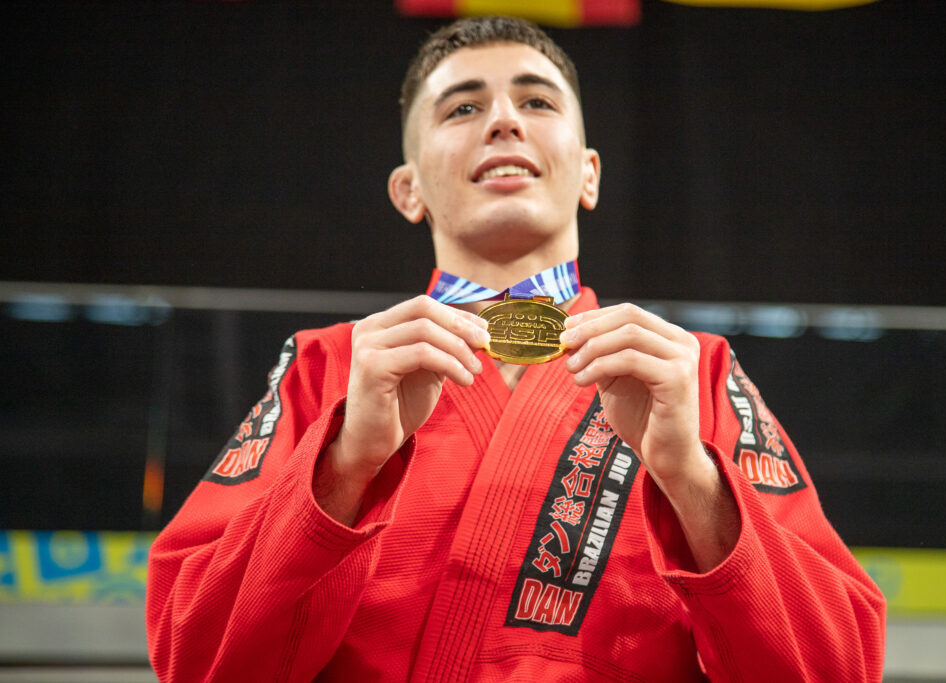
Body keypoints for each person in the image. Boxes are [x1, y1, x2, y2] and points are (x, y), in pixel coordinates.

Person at [146, 16, 885, 682]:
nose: (502, 121)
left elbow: (840, 666)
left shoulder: (691, 373)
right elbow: (192, 658)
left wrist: (692, 480)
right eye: (463, 107)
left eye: (537, 102)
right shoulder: (328, 367)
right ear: (409, 191)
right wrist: (342, 468)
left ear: (589, 173)